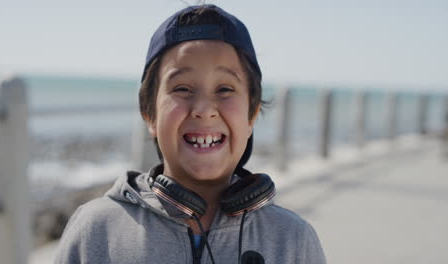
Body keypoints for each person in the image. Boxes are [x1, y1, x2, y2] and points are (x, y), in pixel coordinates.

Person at [55, 4, 326, 264]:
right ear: (149, 114)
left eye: (225, 90)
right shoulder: (96, 231)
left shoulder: (292, 240)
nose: (204, 110)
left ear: (251, 116)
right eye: (182, 88)